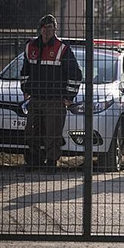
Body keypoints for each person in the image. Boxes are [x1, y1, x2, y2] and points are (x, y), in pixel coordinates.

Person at [21, 14, 82, 174]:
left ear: (55, 28)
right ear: (39, 29)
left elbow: (75, 75)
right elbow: (25, 71)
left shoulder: (62, 49)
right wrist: (25, 89)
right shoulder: (30, 47)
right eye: (43, 27)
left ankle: (51, 162)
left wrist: (68, 97)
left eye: (49, 27)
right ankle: (35, 160)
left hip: (55, 100)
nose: (46, 30)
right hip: (35, 99)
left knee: (52, 134)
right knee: (31, 132)